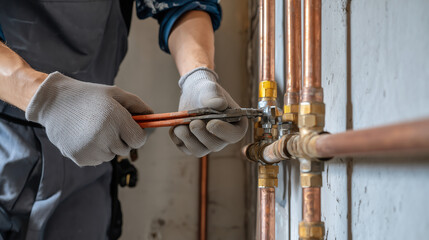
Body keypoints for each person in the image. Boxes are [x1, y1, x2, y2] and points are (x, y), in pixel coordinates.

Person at [0, 0, 248, 239]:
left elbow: (183, 3)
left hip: (92, 162)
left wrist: (197, 76)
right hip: (7, 154)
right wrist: (46, 99)